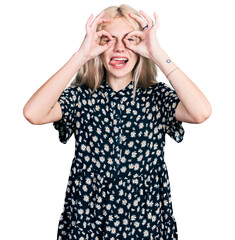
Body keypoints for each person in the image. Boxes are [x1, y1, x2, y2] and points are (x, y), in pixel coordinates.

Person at [23, 4, 212, 240]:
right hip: (88, 222)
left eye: (130, 40)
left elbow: (201, 112)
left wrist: (157, 53)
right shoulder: (82, 97)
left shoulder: (156, 97)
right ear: (98, 47)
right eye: (109, 40)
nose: (119, 48)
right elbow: (33, 113)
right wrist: (81, 55)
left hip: (145, 223)